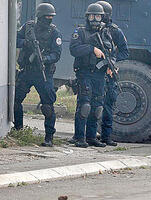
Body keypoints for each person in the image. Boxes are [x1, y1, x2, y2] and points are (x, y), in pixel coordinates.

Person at [14, 3, 62, 147]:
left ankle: (49, 137)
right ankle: (18, 130)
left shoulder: (55, 33)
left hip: (44, 73)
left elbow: (57, 54)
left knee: (47, 106)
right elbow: (15, 40)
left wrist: (45, 59)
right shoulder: (28, 27)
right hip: (27, 71)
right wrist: (26, 43)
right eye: (47, 17)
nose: (49, 19)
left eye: (51, 17)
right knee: (15, 100)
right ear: (40, 16)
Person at [69, 3, 110, 148]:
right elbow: (74, 49)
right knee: (84, 105)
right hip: (84, 72)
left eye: (98, 16)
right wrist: (92, 48)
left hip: (99, 74)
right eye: (92, 16)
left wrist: (110, 66)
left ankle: (92, 137)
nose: (95, 19)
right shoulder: (80, 32)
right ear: (87, 17)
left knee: (97, 106)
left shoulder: (105, 33)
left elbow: (110, 51)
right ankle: (80, 137)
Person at [96, 1, 129, 146]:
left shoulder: (115, 31)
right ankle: (86, 135)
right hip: (93, 72)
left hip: (108, 72)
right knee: (89, 104)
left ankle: (106, 136)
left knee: (108, 104)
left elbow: (124, 51)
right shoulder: (90, 29)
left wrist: (112, 62)